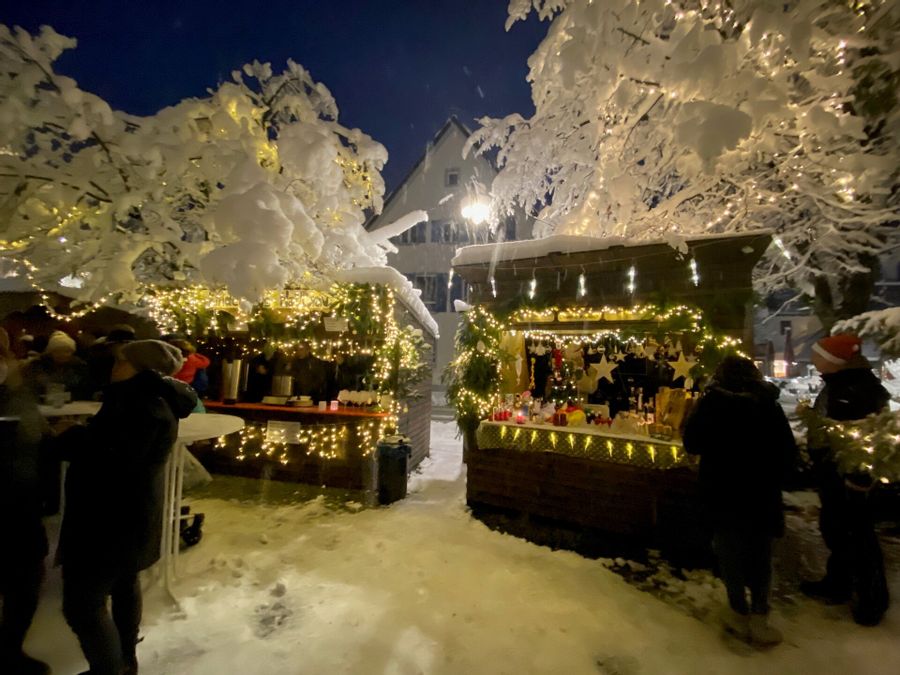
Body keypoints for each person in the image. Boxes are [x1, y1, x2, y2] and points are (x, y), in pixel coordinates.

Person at [55, 340, 197, 675]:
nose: (114, 367)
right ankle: (124, 661)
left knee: (82, 606)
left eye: (122, 362)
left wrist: (70, 436)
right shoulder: (150, 399)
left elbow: (113, 460)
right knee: (123, 584)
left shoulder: (139, 404)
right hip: (130, 514)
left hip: (108, 517)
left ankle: (110, 669)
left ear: (140, 368)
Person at [683, 355, 796, 647]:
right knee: (760, 552)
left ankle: (737, 610)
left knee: (728, 549)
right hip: (761, 490)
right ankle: (759, 613)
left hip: (722, 488)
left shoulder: (711, 403)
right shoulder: (768, 405)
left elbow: (692, 442)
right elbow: (787, 450)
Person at [800, 333, 891, 626]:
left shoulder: (856, 389)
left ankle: (872, 601)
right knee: (838, 531)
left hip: (850, 479)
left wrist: (859, 476)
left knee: (858, 538)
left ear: (834, 360)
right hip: (835, 474)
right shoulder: (842, 385)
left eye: (818, 355)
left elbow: (867, 439)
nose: (813, 360)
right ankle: (837, 583)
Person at [0, 329, 51, 675]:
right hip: (13, 496)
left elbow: (32, 434)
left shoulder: (16, 386)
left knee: (25, 578)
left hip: (20, 499)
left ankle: (9, 649)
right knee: (23, 576)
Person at [24, 330, 91, 401]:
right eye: (57, 351)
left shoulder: (79, 366)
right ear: (51, 352)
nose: (62, 354)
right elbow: (31, 388)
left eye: (67, 351)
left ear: (72, 352)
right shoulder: (38, 365)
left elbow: (84, 388)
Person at [84, 323, 136, 397]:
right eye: (120, 344)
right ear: (110, 346)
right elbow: (90, 386)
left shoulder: (139, 365)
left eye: (127, 343)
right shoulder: (101, 363)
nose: (124, 347)